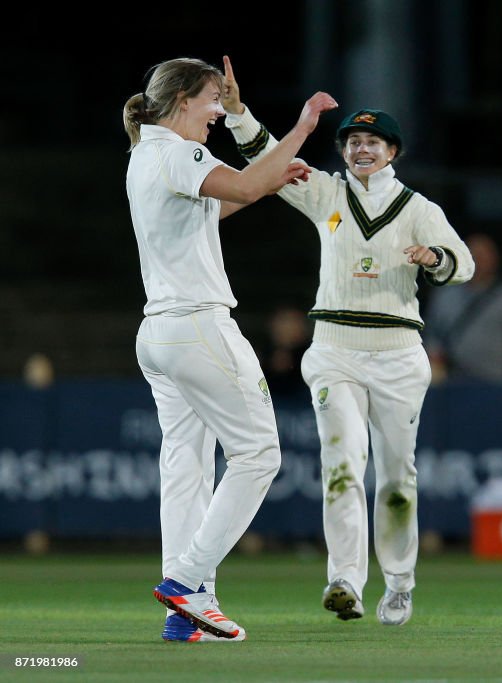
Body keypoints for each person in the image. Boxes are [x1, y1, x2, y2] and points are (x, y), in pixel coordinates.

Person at [221, 65, 474, 627]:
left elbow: (465, 264)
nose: (362, 150)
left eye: (373, 142)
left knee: (397, 474)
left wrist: (434, 260)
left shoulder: (418, 210)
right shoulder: (327, 196)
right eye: (354, 142)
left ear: (392, 152)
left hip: (399, 354)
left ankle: (401, 583)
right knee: (341, 464)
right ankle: (345, 580)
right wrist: (238, 114)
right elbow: (266, 160)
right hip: (334, 348)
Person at [123, 55, 336, 642]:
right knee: (259, 454)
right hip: (198, 327)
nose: (219, 111)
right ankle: (188, 582)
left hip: (158, 334)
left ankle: (186, 609)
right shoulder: (176, 150)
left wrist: (272, 179)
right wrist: (300, 130)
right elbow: (241, 181)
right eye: (214, 99)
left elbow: (221, 204)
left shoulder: (145, 154)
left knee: (185, 465)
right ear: (183, 99)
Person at [424, 233, 502, 384]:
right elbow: (433, 333)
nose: (478, 260)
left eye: (483, 255)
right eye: (473, 254)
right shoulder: (445, 295)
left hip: (494, 381)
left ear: (494, 259)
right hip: (451, 381)